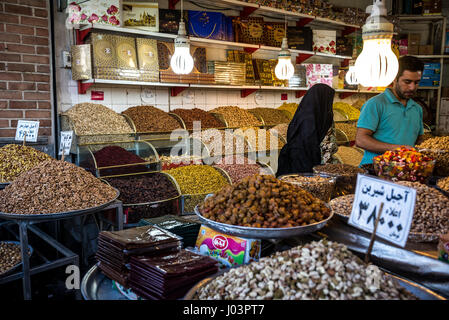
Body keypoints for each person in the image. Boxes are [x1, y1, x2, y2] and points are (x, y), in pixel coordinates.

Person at [356, 55, 425, 166]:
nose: (412, 87)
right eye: (407, 82)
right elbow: (361, 140)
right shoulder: (375, 104)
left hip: (405, 171)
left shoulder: (417, 109)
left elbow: (420, 140)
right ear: (394, 78)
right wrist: (398, 149)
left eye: (416, 82)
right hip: (374, 170)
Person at [276, 83, 337, 176]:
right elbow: (315, 147)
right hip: (303, 166)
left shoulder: (306, 115)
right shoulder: (310, 120)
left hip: (299, 162)